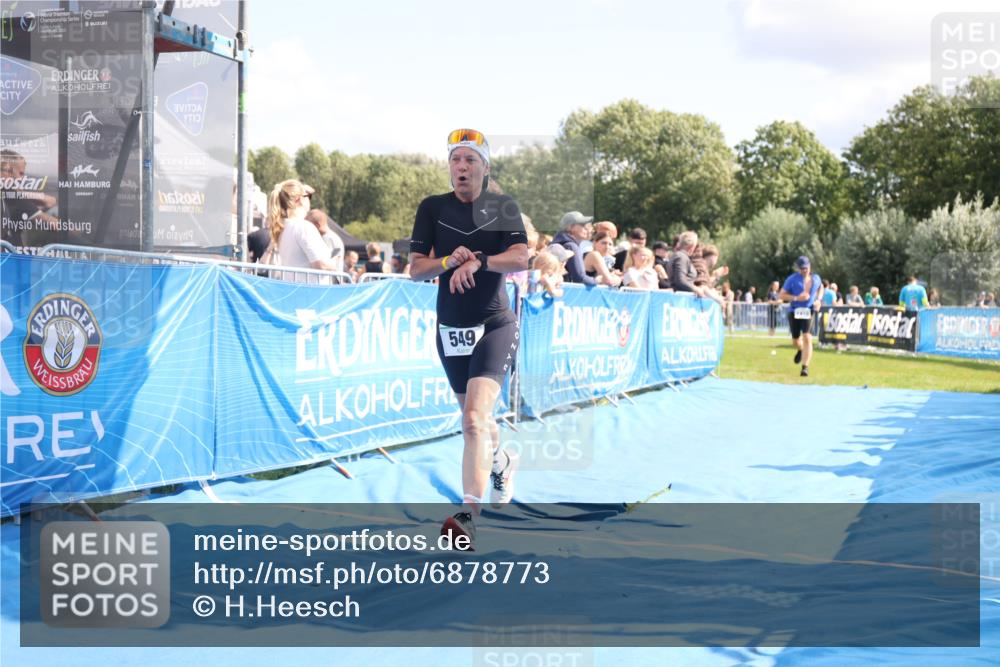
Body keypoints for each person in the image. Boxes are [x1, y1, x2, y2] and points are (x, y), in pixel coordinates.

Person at [408, 129, 529, 547]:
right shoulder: (432, 208)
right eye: (455, 160)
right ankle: (502, 461)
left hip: (495, 323)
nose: (461, 167)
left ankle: (467, 516)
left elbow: (521, 257)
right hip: (451, 329)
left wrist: (479, 260)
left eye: (470, 161)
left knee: (473, 420)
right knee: (478, 421)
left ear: (485, 168)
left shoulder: (502, 207)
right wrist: (446, 259)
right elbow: (416, 269)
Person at [266, 180, 339, 280]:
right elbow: (321, 265)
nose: (310, 200)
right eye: (308, 196)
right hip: (311, 291)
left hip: (296, 289)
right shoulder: (304, 227)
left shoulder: (283, 227)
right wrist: (335, 263)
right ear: (298, 199)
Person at [779, 256, 824, 377]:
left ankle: (805, 367)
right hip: (794, 310)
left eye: (807, 268)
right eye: (802, 268)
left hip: (809, 310)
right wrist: (796, 298)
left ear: (810, 267)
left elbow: (821, 288)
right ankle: (800, 349)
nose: (805, 270)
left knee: (807, 337)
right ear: (798, 268)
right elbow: (782, 295)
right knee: (795, 340)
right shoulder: (792, 279)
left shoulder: (816, 278)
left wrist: (819, 300)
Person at [550, 211, 595, 285]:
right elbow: (580, 278)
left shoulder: (559, 243)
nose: (586, 228)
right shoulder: (571, 246)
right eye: (582, 225)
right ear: (570, 227)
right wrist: (598, 281)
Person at [305, 208, 345, 273]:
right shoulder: (332, 238)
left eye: (308, 225)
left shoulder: (330, 239)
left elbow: (331, 262)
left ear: (317, 225)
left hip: (330, 280)